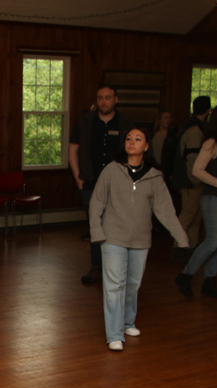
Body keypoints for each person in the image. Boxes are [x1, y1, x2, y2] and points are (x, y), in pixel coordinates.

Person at [89, 127, 188, 352]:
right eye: (128, 138)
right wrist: (97, 232)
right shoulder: (112, 171)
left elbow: (165, 211)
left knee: (132, 285)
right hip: (112, 237)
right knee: (114, 286)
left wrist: (181, 238)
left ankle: (127, 323)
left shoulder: (154, 176)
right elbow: (96, 202)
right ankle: (114, 335)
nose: (131, 142)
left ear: (146, 146)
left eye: (138, 139)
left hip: (141, 240)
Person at [174, 104, 217, 299]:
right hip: (216, 199)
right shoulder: (211, 143)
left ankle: (209, 281)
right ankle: (186, 275)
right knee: (213, 241)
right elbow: (197, 170)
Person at [68, 84, 135, 284]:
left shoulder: (126, 122)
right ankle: (96, 267)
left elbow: (135, 151)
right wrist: (78, 177)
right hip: (91, 182)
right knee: (96, 226)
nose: (103, 102)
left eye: (107, 98)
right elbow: (73, 150)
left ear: (116, 99)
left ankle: (116, 266)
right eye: (100, 98)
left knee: (118, 225)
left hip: (119, 184)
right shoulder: (85, 121)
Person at [170, 96, 211, 262]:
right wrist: (196, 180)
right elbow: (192, 160)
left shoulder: (191, 127)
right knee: (187, 216)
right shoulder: (195, 131)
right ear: (208, 110)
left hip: (191, 181)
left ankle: (190, 246)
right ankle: (178, 246)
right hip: (191, 182)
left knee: (195, 216)